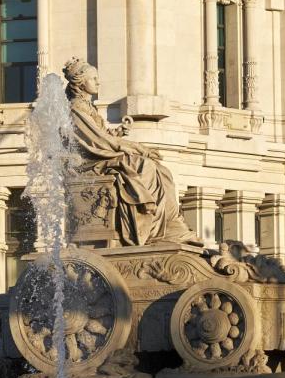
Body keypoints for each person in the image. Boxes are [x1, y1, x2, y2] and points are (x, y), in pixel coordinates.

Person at [62, 57, 203, 247]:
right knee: (144, 166)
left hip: (102, 154)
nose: (98, 82)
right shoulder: (76, 109)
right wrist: (138, 147)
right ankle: (151, 228)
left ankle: (170, 224)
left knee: (163, 172)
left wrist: (119, 132)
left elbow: (101, 136)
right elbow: (98, 142)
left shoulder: (88, 107)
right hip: (92, 162)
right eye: (93, 78)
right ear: (80, 82)